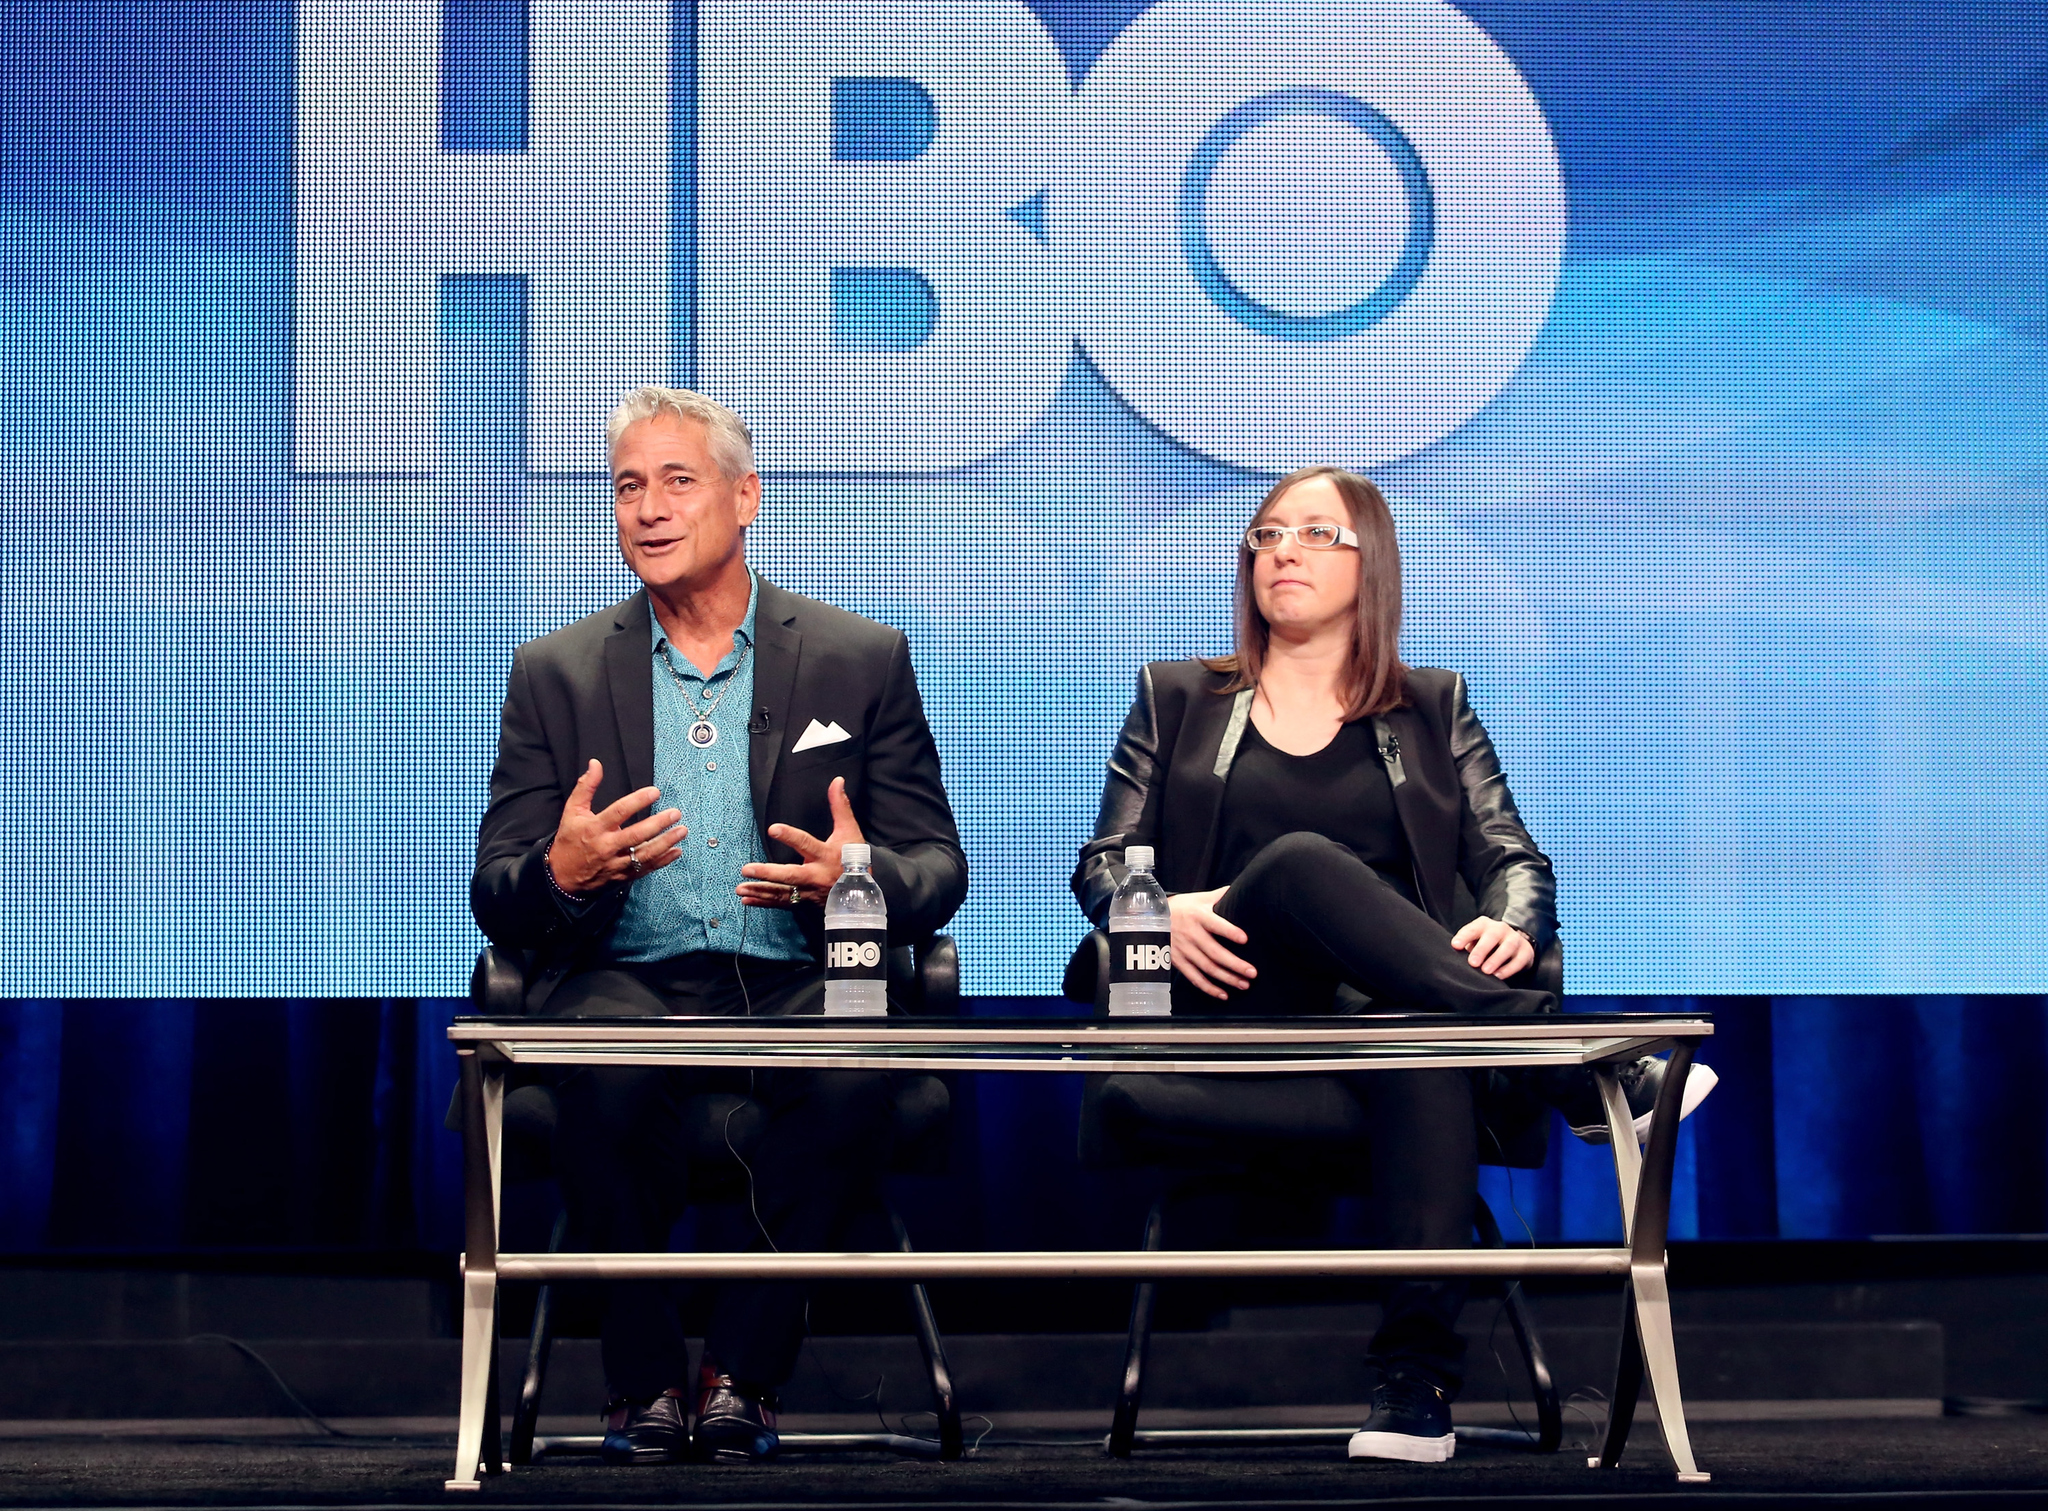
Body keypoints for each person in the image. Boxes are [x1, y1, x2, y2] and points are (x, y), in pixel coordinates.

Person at [1072, 465, 1712, 1464]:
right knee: (1292, 867)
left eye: (1314, 533)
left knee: (1418, 1043)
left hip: (1389, 1017)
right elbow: (1101, 865)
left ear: (1370, 563)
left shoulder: (1429, 705)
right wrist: (1158, 906)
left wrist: (1511, 919)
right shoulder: (1179, 697)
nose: (1280, 550)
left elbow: (1513, 860)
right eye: (1266, 534)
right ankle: (1570, 1063)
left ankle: (1412, 1388)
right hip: (1229, 999)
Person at [472, 386, 967, 1465]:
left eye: (675, 481)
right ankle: (643, 1382)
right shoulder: (552, 673)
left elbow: (938, 868)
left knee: (850, 1064)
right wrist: (561, 871)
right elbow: (498, 890)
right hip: (623, 973)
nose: (646, 508)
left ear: (745, 498)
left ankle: (740, 1372)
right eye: (626, 486)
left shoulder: (856, 657)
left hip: (795, 977)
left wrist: (860, 870)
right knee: (604, 1064)